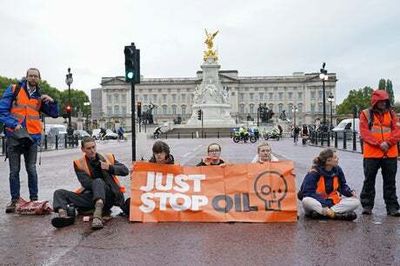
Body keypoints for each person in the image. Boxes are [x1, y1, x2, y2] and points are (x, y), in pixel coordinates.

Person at [0, 68, 59, 213]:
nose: (33, 78)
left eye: (35, 76)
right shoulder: (14, 89)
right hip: (14, 135)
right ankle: (15, 201)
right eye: (30, 75)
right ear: (26, 77)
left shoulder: (40, 97)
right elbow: (2, 111)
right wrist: (14, 124)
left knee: (31, 169)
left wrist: (52, 101)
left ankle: (34, 200)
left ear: (39, 78)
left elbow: (55, 113)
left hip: (32, 137)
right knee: (14, 171)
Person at [51, 136, 129, 229]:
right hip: (91, 197)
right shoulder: (79, 163)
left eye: (93, 147)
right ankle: (63, 216)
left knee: (98, 181)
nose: (92, 150)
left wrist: (109, 167)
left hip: (110, 197)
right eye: (88, 148)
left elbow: (125, 171)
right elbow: (86, 183)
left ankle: (97, 216)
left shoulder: (107, 158)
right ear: (83, 149)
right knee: (59, 193)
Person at [359, 90, 400, 216]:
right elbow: (365, 133)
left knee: (390, 182)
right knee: (369, 181)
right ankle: (367, 206)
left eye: (385, 101)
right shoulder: (365, 114)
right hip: (372, 154)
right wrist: (380, 143)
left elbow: (397, 131)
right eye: (381, 101)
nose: (383, 103)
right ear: (375, 102)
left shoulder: (392, 114)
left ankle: (392, 207)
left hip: (389, 152)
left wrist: (387, 143)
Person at [298, 148, 360, 221]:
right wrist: (324, 204)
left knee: (356, 202)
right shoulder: (314, 173)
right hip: (318, 202)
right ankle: (336, 215)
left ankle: (321, 214)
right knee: (306, 200)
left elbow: (342, 186)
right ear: (328, 161)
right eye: (335, 158)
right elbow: (308, 193)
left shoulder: (337, 170)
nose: (337, 159)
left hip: (332, 203)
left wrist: (350, 192)